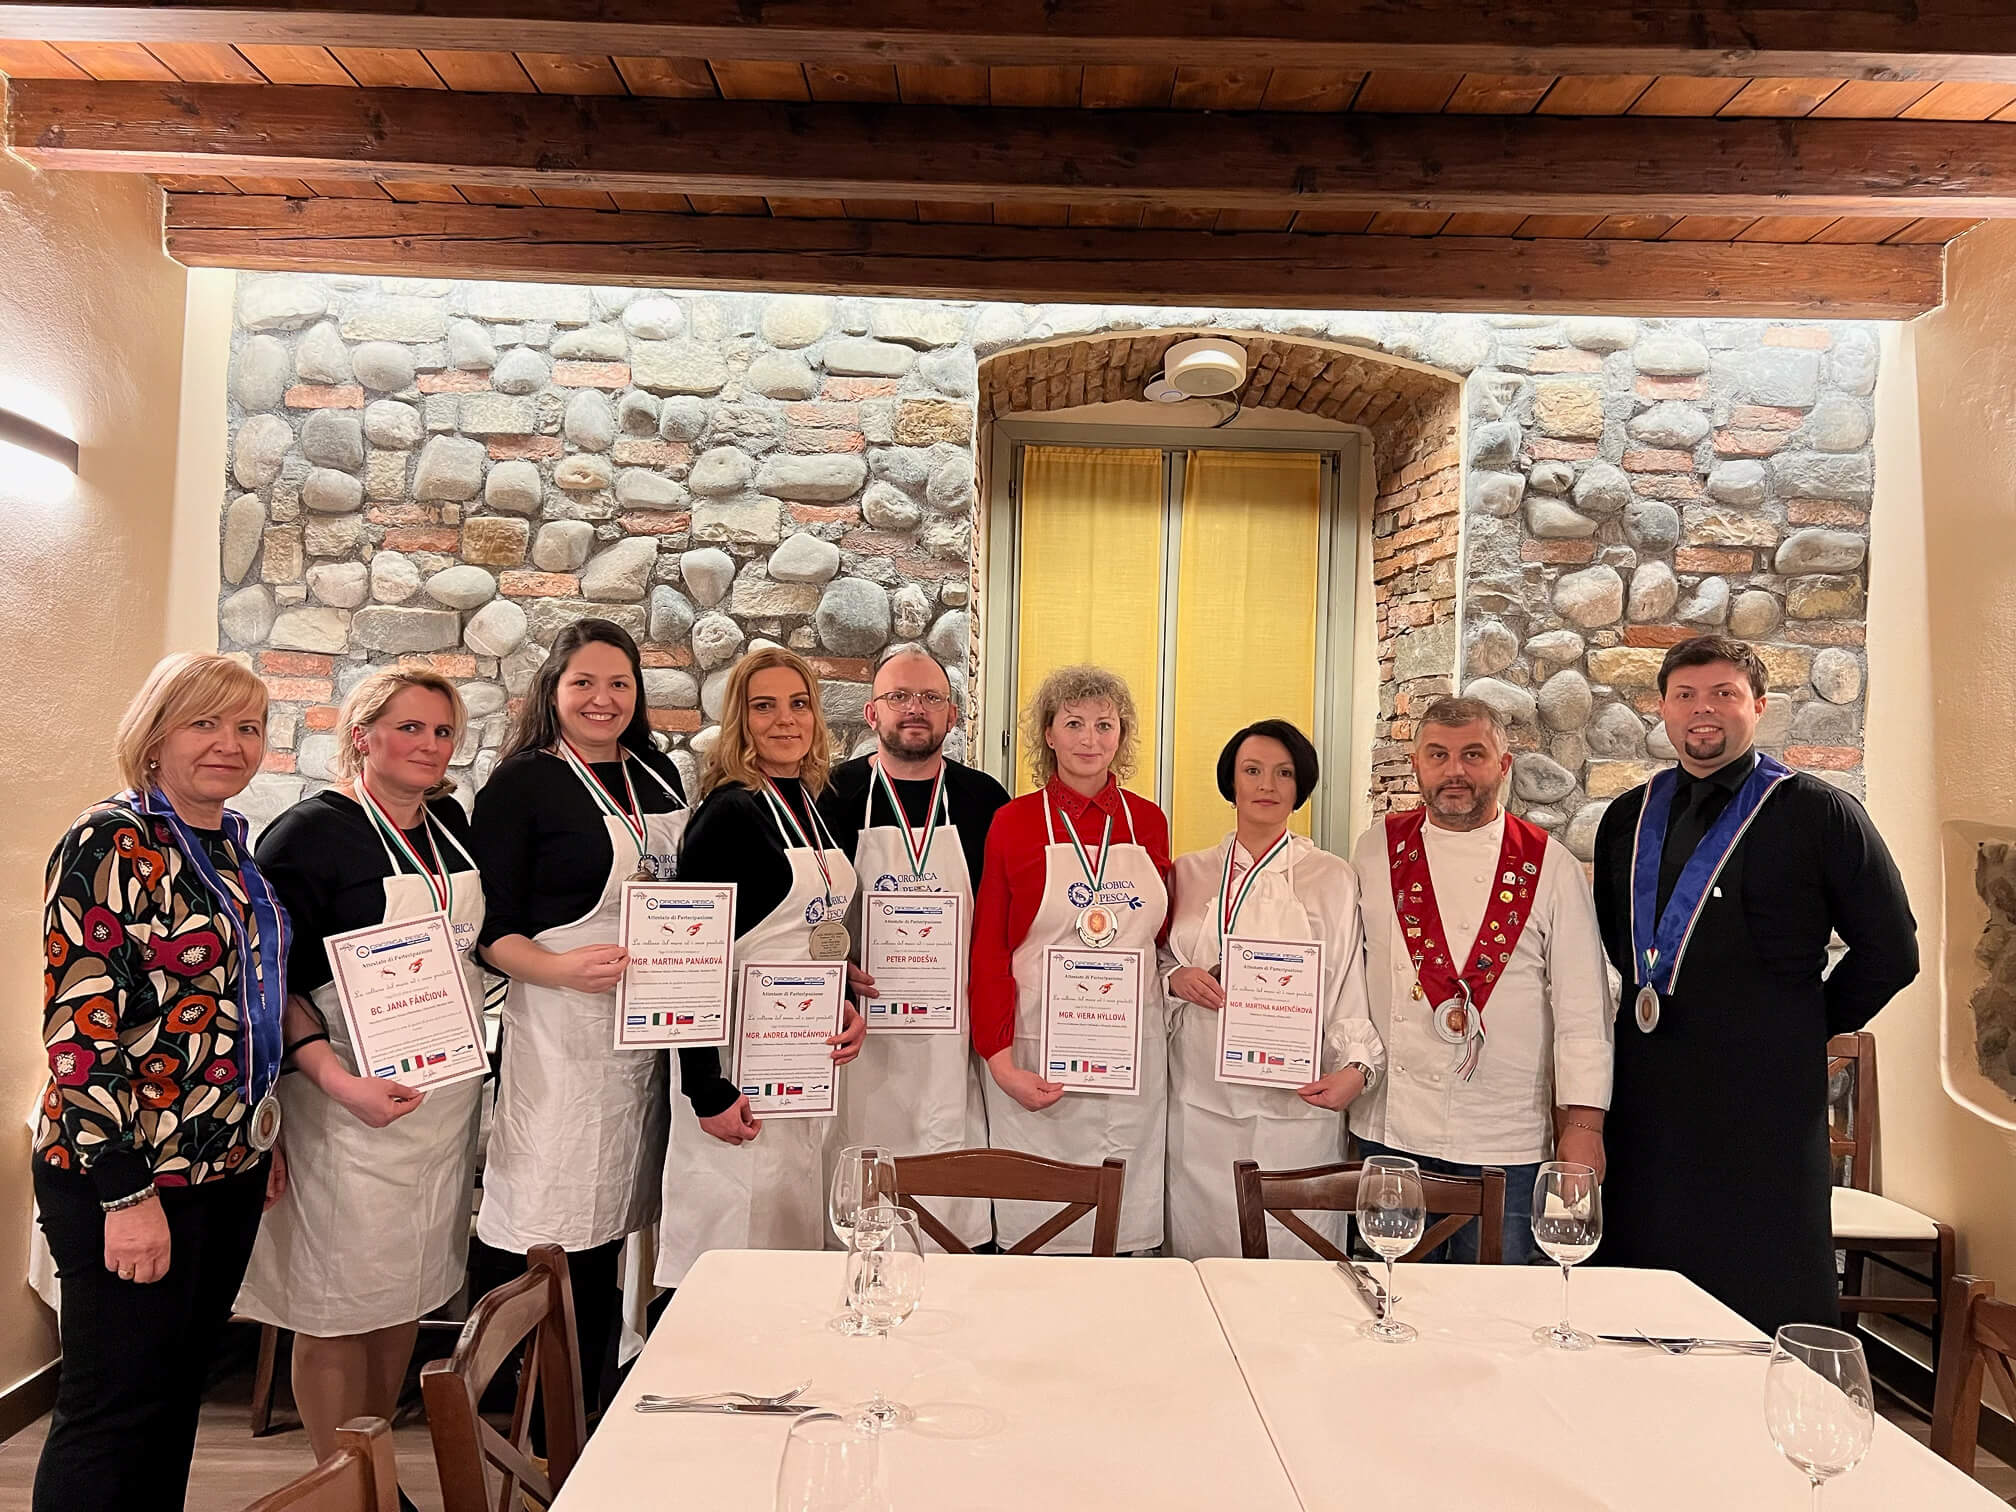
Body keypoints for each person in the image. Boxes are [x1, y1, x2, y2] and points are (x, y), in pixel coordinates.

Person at [1593, 635, 1918, 1331]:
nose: (1701, 710)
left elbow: (1892, 951)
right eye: (1685, 695)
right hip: (1649, 1094)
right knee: (1637, 1281)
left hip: (1764, 1104)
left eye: (1723, 694)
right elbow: (1621, 947)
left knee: (1761, 1286)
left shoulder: (1819, 813)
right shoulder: (1626, 818)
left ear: (1759, 707)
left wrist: (1802, 1025)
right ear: (1662, 708)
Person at [32, 652, 290, 1512]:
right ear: (155, 735)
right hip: (128, 1172)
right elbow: (79, 1030)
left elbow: (238, 1004)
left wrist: (259, 1128)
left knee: (175, 1395)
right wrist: (122, 1192)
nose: (230, 744)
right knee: (113, 1408)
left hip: (222, 1163)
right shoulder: (112, 840)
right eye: (205, 723)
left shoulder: (227, 846)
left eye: (247, 727)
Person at [236, 670, 483, 1489]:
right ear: (363, 733)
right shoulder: (307, 833)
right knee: (338, 1305)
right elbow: (270, 983)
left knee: (401, 1293)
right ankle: (342, 1485)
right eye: (409, 728)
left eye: (442, 732)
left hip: (437, 1103)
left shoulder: (447, 823)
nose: (428, 746)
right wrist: (341, 1083)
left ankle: (376, 1471)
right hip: (344, 1105)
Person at [469, 618, 686, 1418]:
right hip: (560, 1031)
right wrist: (560, 968)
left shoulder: (659, 778)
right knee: (551, 1223)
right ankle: (524, 1424)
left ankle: (592, 1409)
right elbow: (491, 935)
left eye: (620, 683)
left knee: (617, 1220)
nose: (603, 699)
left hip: (642, 1040)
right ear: (553, 691)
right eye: (585, 683)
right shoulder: (520, 785)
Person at [1348, 697, 1612, 1264]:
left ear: (1504, 764)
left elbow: (1583, 1009)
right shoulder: (1375, 850)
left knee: (1499, 1312)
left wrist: (1584, 1126)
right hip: (1390, 1129)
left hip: (1506, 1137)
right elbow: (1348, 972)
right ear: (1416, 764)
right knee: (1387, 1305)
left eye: (1473, 754)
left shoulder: (1550, 864)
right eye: (1438, 755)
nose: (1455, 771)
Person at [658, 646, 868, 1285]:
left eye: (798, 704)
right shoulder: (729, 812)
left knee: (787, 1230)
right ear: (739, 720)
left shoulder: (810, 804)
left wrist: (844, 998)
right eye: (764, 706)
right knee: (730, 1243)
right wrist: (706, 1088)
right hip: (736, 1068)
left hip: (801, 1057)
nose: (785, 720)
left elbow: (809, 929)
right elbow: (688, 958)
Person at [970, 665, 1172, 1254]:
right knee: (1041, 1231)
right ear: (1049, 734)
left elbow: (1160, 941)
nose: (1090, 739)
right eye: (1074, 723)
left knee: (1124, 1231)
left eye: (1104, 725)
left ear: (1122, 735)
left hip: (1131, 1057)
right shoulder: (1013, 823)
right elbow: (990, 949)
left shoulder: (1150, 823)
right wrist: (1001, 1061)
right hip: (1038, 1054)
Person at [1162, 721, 1379, 1260]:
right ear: (1230, 782)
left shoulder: (1332, 876)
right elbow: (1157, 958)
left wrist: (1357, 1066)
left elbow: (1349, 976)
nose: (1268, 784)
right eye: (1252, 770)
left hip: (1298, 1106)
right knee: (1203, 1256)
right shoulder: (1189, 872)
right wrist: (1174, 978)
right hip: (1201, 1101)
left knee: (1295, 1262)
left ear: (1300, 785)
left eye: (1284, 773)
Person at [820, 648, 1011, 1250]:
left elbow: (1006, 918)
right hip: (861, 1032)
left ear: (952, 715)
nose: (915, 710)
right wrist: (832, 965)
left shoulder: (984, 799)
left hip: (952, 1037)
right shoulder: (833, 793)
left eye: (930, 698)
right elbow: (804, 908)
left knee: (948, 1186)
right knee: (860, 1185)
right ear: (872, 712)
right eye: (900, 697)